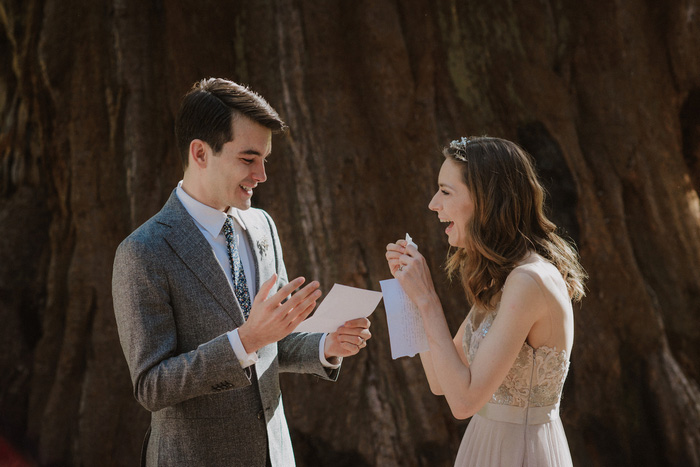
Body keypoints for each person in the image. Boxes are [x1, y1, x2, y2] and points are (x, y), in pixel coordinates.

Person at [112, 78, 371, 467]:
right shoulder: (143, 252)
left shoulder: (262, 225)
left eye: (265, 159)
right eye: (249, 159)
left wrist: (325, 346)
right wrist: (244, 340)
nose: (262, 175)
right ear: (200, 153)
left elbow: (274, 340)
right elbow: (151, 386)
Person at [385, 136, 585, 466]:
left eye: (446, 192)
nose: (433, 203)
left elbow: (462, 403)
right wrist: (407, 296)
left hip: (521, 453)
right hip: (484, 446)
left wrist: (428, 299)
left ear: (486, 201)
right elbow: (440, 381)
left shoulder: (528, 280)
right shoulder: (505, 278)